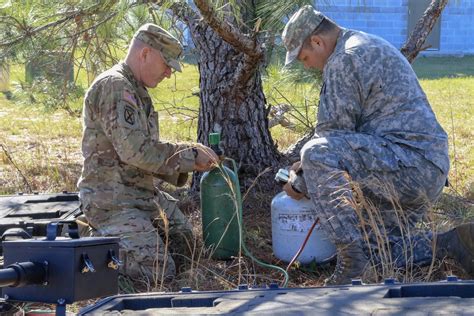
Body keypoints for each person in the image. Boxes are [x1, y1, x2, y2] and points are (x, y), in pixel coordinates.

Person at [281, 5, 474, 285]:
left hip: (406, 166)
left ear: (317, 41)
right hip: (418, 168)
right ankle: (450, 244)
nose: (306, 65)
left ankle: (350, 266)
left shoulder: (344, 59)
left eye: (304, 57)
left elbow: (329, 140)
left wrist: (299, 182)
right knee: (378, 254)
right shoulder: (364, 43)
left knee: (315, 153)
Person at [77, 23, 218, 283]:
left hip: (141, 196)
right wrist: (188, 155)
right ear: (145, 54)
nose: (168, 73)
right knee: (158, 272)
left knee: (187, 247)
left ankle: (127, 240)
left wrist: (190, 161)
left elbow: (142, 152)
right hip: (112, 202)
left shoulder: (136, 91)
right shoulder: (115, 87)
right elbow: (135, 151)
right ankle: (92, 241)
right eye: (166, 64)